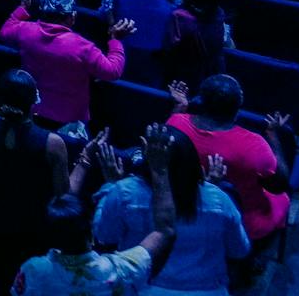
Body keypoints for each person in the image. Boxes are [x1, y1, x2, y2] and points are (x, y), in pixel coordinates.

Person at [11, 126, 180, 296]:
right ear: (90, 232)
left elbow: (64, 208)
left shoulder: (33, 270)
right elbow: (165, 230)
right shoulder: (118, 271)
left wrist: (85, 160)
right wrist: (159, 170)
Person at [91, 126, 249, 296]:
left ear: (147, 159)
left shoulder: (124, 192)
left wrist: (110, 187)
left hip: (142, 289)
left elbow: (104, 235)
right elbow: (239, 250)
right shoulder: (220, 200)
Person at [0, 70, 70, 296]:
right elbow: (63, 198)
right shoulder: (53, 144)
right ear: (33, 101)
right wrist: (84, 164)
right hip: (38, 234)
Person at [168, 74, 291, 248]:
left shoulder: (176, 122)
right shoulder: (254, 145)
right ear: (238, 107)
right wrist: (273, 135)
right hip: (240, 220)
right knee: (282, 199)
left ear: (201, 101)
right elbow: (280, 184)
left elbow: (173, 130)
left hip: (183, 205)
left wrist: (180, 108)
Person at [0, 0, 129, 127]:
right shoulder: (82, 47)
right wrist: (115, 39)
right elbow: (113, 71)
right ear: (72, 17)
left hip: (33, 109)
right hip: (69, 119)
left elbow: (5, 31)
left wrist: (23, 7)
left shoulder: (25, 31)